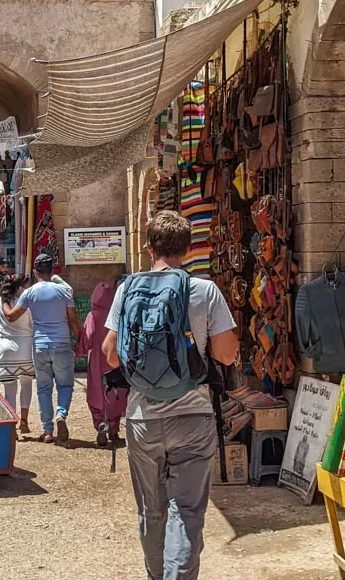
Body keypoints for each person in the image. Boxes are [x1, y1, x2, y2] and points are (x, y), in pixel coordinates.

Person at [102, 211, 239, 580]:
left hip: (142, 419)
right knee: (187, 511)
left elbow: (110, 352)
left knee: (152, 509)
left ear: (149, 249)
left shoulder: (127, 289)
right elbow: (227, 354)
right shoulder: (204, 291)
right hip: (193, 417)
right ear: (189, 249)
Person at [3, 254, 80, 443]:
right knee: (65, 385)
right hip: (61, 342)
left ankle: (48, 431)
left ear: (35, 272)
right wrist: (79, 337)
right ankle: (61, 414)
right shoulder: (64, 291)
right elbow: (72, 318)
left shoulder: (29, 293)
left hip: (39, 346)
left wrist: (4, 300)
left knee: (44, 388)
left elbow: (12, 316)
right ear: (52, 270)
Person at [78, 280, 126, 447]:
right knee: (117, 394)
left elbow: (88, 337)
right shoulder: (118, 314)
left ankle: (100, 426)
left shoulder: (93, 315)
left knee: (97, 392)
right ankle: (114, 429)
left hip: (97, 362)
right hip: (115, 360)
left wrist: (80, 350)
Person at [0, 274, 34, 435]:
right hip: (26, 348)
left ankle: (12, 426)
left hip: (5, 349)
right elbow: (34, 327)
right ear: (19, 288)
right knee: (26, 384)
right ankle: (25, 420)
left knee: (9, 390)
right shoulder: (27, 304)